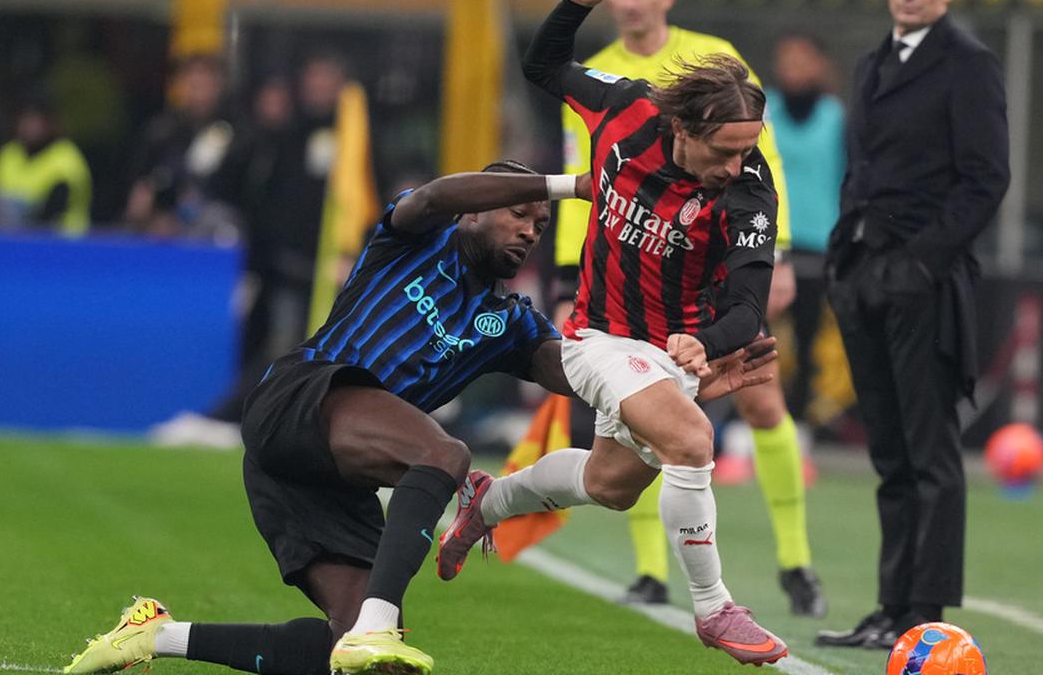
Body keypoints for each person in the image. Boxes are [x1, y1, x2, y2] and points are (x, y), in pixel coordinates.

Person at [63, 161, 775, 675]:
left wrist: (686, 381)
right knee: (445, 455)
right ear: (479, 211)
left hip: (327, 477)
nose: (531, 230)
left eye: (541, 225)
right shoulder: (414, 237)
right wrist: (569, 185)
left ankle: (155, 637)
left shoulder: (511, 322)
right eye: (519, 214)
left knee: (368, 662)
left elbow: (601, 386)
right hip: (300, 399)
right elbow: (437, 192)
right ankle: (378, 624)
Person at [437, 0, 790, 665]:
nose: (738, 165)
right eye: (725, 151)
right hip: (598, 335)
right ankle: (716, 609)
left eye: (748, 148)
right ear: (684, 126)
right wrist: (572, 5)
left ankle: (488, 501)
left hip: (670, 350)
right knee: (692, 441)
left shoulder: (749, 191)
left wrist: (704, 341)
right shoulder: (626, 107)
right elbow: (544, 64)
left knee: (609, 485)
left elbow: (749, 306)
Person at [549, 0, 824, 616]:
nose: (636, 2)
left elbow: (761, 158)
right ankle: (651, 572)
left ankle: (795, 561)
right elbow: (583, 178)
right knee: (641, 417)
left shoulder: (717, 59)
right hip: (633, 273)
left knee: (759, 399)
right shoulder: (606, 76)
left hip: (723, 258)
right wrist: (566, 276)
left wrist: (776, 252)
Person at [815, 0, 1009, 650]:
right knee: (890, 455)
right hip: (862, 273)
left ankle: (924, 615)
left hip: (920, 280)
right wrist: (847, 258)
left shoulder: (969, 63)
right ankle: (890, 608)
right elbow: (860, 171)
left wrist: (921, 263)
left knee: (930, 456)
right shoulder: (870, 64)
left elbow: (986, 178)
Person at [765, 33, 846, 419]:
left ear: (820, 65)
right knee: (752, 334)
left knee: (808, 337)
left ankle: (799, 423)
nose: (794, 68)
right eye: (787, 59)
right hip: (766, 236)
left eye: (803, 59)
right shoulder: (763, 109)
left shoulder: (836, 118)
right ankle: (748, 422)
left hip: (816, 243)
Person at [123, 54, 237, 240]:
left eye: (205, 85)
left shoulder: (236, 133)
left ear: (218, 87)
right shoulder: (162, 131)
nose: (198, 94)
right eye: (192, 85)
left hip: (212, 230)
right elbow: (144, 182)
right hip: (160, 230)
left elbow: (230, 190)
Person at [0, 92, 92, 235]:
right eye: (26, 118)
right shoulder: (8, 154)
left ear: (51, 122)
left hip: (61, 243)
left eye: (37, 119)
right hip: (13, 239)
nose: (30, 125)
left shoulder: (66, 157)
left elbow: (53, 211)